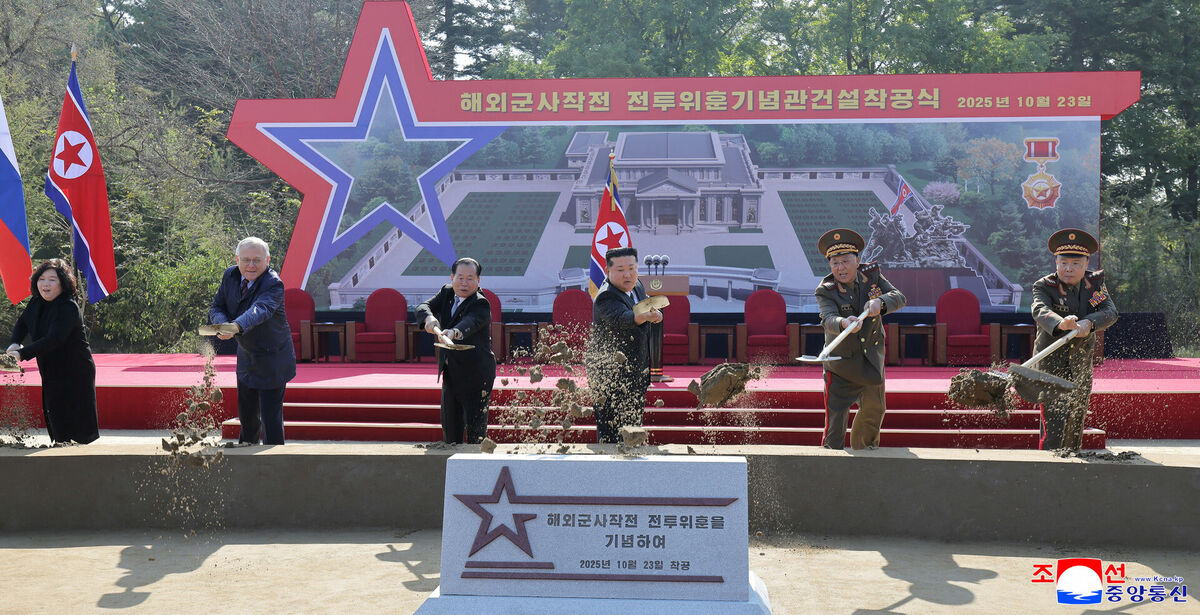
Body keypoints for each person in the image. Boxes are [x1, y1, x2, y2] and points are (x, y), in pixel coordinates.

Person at [813, 229, 906, 450]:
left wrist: (880, 303)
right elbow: (827, 319)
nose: (840, 268)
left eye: (845, 261)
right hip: (840, 362)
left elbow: (899, 297)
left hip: (871, 359)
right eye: (835, 263)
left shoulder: (872, 276)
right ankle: (831, 460)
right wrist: (844, 323)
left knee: (874, 409)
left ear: (858, 261)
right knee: (835, 419)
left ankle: (865, 453)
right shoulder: (825, 290)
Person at [1031, 229, 1118, 451]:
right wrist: (1061, 324)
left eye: (1076, 263)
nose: (1068, 268)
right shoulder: (1045, 286)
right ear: (1056, 262)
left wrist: (1089, 323)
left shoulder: (1094, 286)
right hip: (1050, 362)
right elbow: (1040, 309)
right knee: (1054, 416)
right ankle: (1049, 463)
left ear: (1086, 263)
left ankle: (1073, 459)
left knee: (1076, 414)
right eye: (1063, 263)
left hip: (1080, 361)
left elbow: (1109, 311)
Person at [209, 237, 296, 445]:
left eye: (257, 260)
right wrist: (222, 325)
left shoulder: (273, 283)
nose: (250, 265)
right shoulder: (230, 275)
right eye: (246, 260)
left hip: (273, 358)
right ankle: (245, 464)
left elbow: (260, 310)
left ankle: (274, 465)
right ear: (237, 259)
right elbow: (217, 307)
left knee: (270, 420)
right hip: (247, 355)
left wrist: (235, 327)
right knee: (247, 418)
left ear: (267, 260)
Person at [5, 259, 98, 444]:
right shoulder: (36, 302)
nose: (45, 284)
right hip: (51, 368)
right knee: (55, 414)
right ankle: (60, 447)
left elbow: (54, 339)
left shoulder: (68, 307)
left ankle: (81, 459)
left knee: (76, 424)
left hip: (75, 371)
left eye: (52, 280)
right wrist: (15, 343)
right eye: (41, 279)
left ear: (63, 283)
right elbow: (23, 323)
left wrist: (22, 354)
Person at [415, 257, 497, 444]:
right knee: (451, 429)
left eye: (470, 278)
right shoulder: (446, 293)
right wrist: (428, 319)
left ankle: (475, 468)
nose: (464, 283)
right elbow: (423, 306)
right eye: (460, 277)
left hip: (477, 374)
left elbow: (471, 322)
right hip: (452, 371)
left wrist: (453, 332)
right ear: (452, 277)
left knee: (475, 432)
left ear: (478, 280)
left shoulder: (480, 303)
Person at [587, 246, 662, 443]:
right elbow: (624, 318)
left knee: (633, 425)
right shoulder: (605, 296)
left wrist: (655, 314)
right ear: (607, 271)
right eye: (620, 270)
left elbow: (646, 306)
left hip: (636, 370)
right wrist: (645, 316)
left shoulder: (636, 286)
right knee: (611, 434)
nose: (627, 274)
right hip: (610, 375)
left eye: (632, 268)